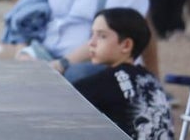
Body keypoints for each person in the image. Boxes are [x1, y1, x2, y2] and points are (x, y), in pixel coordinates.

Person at [73, 8, 175, 140]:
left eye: (102, 36)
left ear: (126, 45)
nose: (91, 43)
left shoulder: (103, 83)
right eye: (92, 34)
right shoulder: (151, 79)